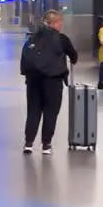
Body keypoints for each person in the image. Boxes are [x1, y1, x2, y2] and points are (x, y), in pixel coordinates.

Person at [22, 10, 79, 154]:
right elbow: (74, 56)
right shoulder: (61, 39)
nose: (61, 25)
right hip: (53, 81)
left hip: (33, 80)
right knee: (50, 111)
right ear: (55, 23)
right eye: (60, 22)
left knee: (33, 111)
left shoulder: (32, 38)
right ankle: (46, 145)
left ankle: (28, 143)